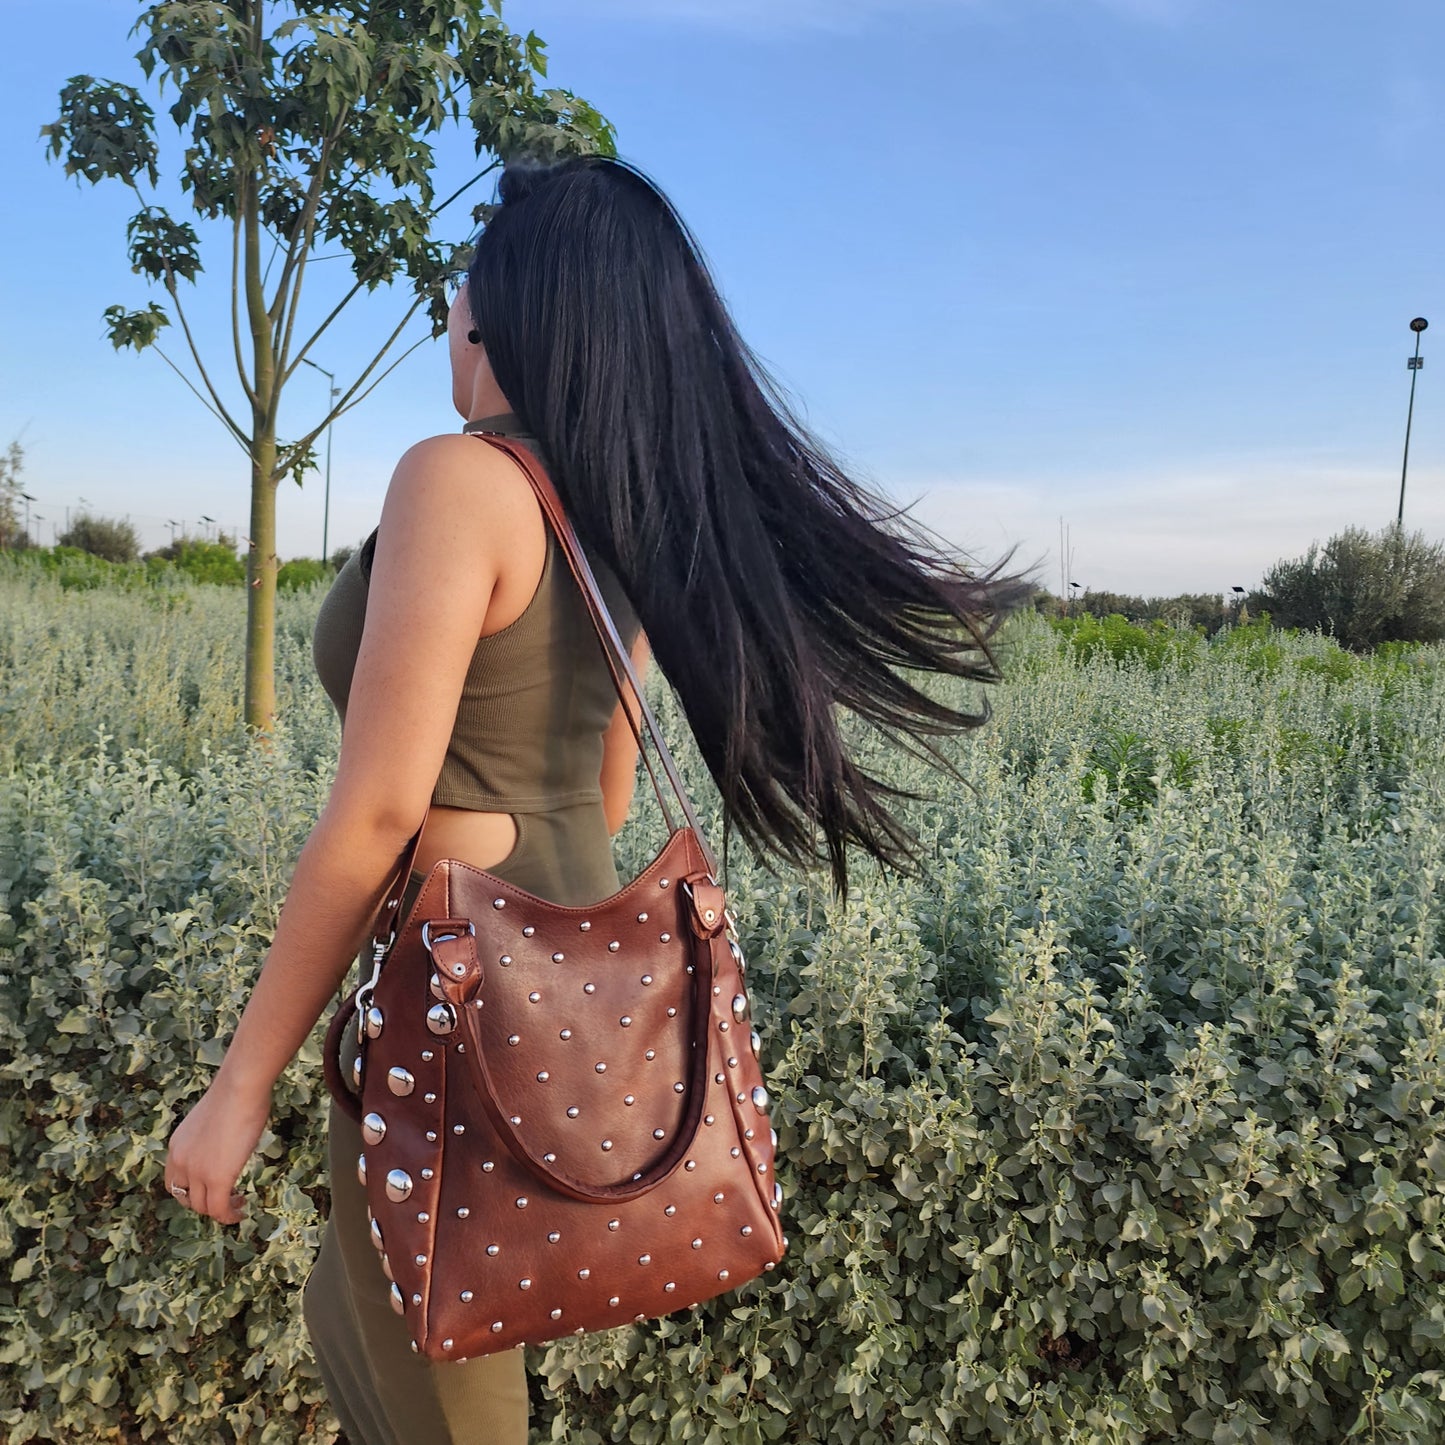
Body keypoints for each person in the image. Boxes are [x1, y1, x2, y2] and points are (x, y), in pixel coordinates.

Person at [162, 154, 1032, 1444]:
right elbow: (608, 784)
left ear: (508, 313)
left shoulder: (459, 480)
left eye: (464, 286)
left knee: (447, 1391)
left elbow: (377, 811)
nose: (449, 312)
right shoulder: (612, 506)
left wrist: (237, 1091)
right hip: (562, 997)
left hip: (452, 994)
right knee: (375, 1330)